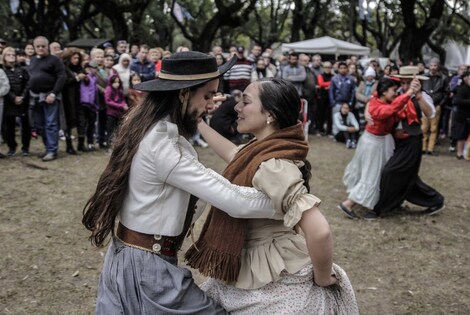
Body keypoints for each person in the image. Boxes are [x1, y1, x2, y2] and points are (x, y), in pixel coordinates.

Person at [82, 51, 279, 314]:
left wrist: (200, 111)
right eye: (207, 95)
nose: (212, 104)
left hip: (135, 258)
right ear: (183, 94)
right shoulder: (164, 146)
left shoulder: (149, 126)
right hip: (147, 268)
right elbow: (233, 200)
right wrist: (286, 202)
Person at [185, 78, 358, 314]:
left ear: (270, 115)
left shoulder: (273, 165)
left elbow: (319, 230)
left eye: (245, 102)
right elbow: (234, 153)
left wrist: (323, 278)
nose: (237, 107)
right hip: (257, 264)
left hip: (273, 275)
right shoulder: (262, 151)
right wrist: (197, 121)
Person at [367, 66, 445, 220]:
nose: (404, 85)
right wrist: (366, 113)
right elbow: (373, 100)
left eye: (407, 82)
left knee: (391, 171)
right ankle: (435, 200)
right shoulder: (393, 93)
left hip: (412, 141)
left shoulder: (420, 96)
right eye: (402, 82)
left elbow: (430, 113)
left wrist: (419, 95)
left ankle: (379, 209)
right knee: (407, 177)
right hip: (396, 140)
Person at [339, 77, 420, 219]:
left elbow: (387, 105)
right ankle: (348, 204)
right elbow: (391, 109)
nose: (396, 93)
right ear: (384, 92)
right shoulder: (378, 107)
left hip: (381, 141)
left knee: (380, 174)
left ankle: (378, 201)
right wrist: (409, 93)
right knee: (371, 175)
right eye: (394, 90)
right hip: (374, 144)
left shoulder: (378, 99)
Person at [28, 36, 66, 161]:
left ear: (47, 46)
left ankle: (52, 151)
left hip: (50, 96)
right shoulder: (33, 60)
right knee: (40, 125)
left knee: (51, 124)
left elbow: (61, 77)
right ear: (34, 47)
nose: (40, 48)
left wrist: (53, 93)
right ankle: (47, 148)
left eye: (42, 46)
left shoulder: (54, 60)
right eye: (37, 46)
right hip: (35, 97)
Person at [62, 49, 87, 155]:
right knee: (68, 123)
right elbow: (63, 82)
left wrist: (85, 78)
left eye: (78, 58)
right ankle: (69, 145)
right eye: (74, 58)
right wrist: (77, 78)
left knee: (82, 121)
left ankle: (81, 144)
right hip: (68, 99)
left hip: (81, 98)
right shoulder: (64, 68)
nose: (76, 60)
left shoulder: (80, 68)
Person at [421, 58, 449, 155]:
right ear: (429, 66)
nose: (433, 67)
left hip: (436, 104)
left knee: (434, 128)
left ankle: (430, 148)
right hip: (425, 104)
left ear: (438, 66)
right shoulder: (424, 77)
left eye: (435, 65)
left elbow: (446, 92)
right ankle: (423, 147)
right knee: (424, 127)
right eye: (431, 65)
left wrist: (441, 104)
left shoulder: (443, 78)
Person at [77, 63, 98, 152]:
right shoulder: (86, 77)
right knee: (83, 124)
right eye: (92, 68)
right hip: (84, 104)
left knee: (91, 125)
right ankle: (81, 145)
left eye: (95, 68)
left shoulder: (94, 79)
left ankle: (90, 143)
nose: (94, 70)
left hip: (92, 105)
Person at [104, 74, 128, 148]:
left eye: (118, 82)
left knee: (118, 129)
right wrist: (120, 106)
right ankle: (109, 145)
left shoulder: (119, 90)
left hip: (119, 113)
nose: (117, 84)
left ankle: (117, 145)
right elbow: (108, 101)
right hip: (111, 113)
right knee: (110, 130)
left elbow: (122, 99)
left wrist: (124, 104)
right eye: (115, 82)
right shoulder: (109, 89)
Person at [355, 67, 378, 132]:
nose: (369, 77)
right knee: (361, 121)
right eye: (368, 75)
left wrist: (369, 99)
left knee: (369, 121)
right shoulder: (362, 83)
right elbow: (357, 93)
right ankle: (361, 134)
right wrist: (365, 99)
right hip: (361, 105)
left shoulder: (376, 84)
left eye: (371, 75)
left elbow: (375, 94)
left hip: (371, 106)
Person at [454, 71, 470, 159]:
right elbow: (458, 101)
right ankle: (459, 153)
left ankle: (467, 152)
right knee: (461, 135)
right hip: (463, 115)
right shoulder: (462, 88)